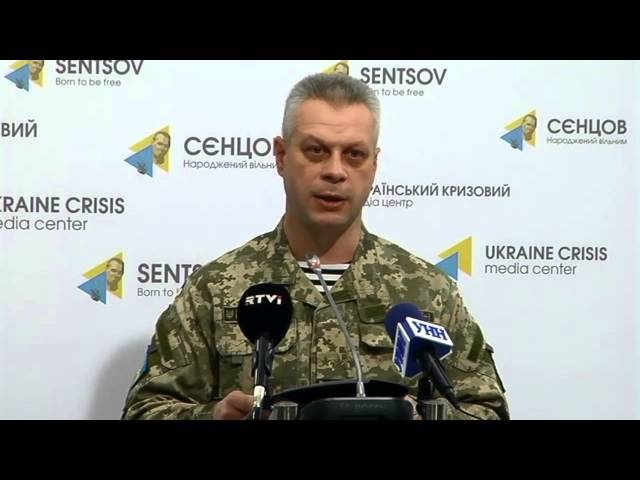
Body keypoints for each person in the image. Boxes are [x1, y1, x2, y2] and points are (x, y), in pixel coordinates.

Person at [121, 73, 509, 420]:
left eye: (354, 154)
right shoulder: (218, 288)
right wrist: (215, 417)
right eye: (316, 151)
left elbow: (486, 409)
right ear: (281, 156)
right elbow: (145, 410)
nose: (335, 171)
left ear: (374, 165)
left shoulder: (426, 292)